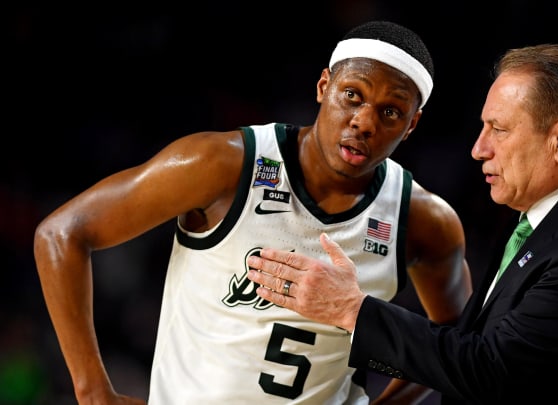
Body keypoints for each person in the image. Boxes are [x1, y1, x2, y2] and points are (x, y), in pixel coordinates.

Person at [33, 20, 473, 404]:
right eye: (352, 95)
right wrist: (92, 390)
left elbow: (455, 341)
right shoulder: (221, 164)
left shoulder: (424, 221)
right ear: (324, 87)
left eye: (391, 112)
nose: (364, 121)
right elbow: (61, 234)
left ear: (412, 124)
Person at [246, 43, 558, 404]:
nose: (478, 149)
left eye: (499, 129)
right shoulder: (556, 216)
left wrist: (350, 309)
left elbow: (492, 371)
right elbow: (477, 347)